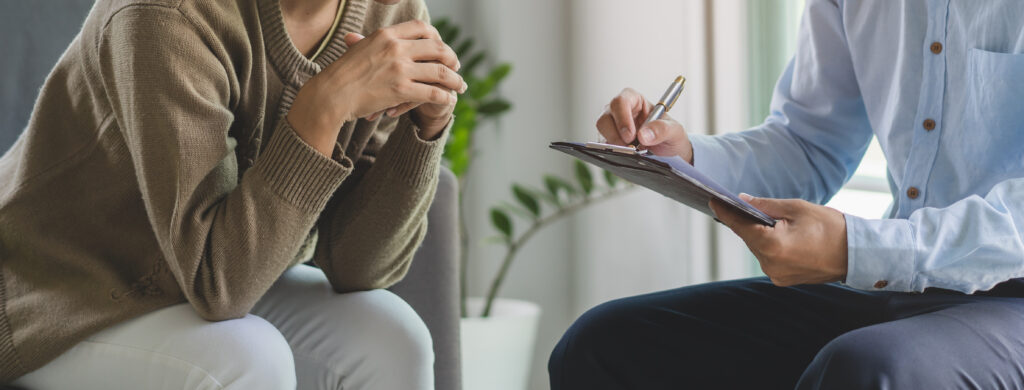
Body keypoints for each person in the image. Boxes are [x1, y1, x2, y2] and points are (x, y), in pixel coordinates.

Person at [549, 0, 1024, 389]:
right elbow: (808, 145)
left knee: (870, 371)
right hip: (901, 286)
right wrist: (685, 158)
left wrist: (858, 250)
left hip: (1010, 297)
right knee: (604, 344)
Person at [0, 0, 465, 388]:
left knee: (392, 337)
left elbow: (358, 266)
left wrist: (424, 129)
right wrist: (324, 107)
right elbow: (216, 285)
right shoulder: (165, 14)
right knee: (247, 357)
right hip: (57, 287)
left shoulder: (391, 13)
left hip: (199, 276)